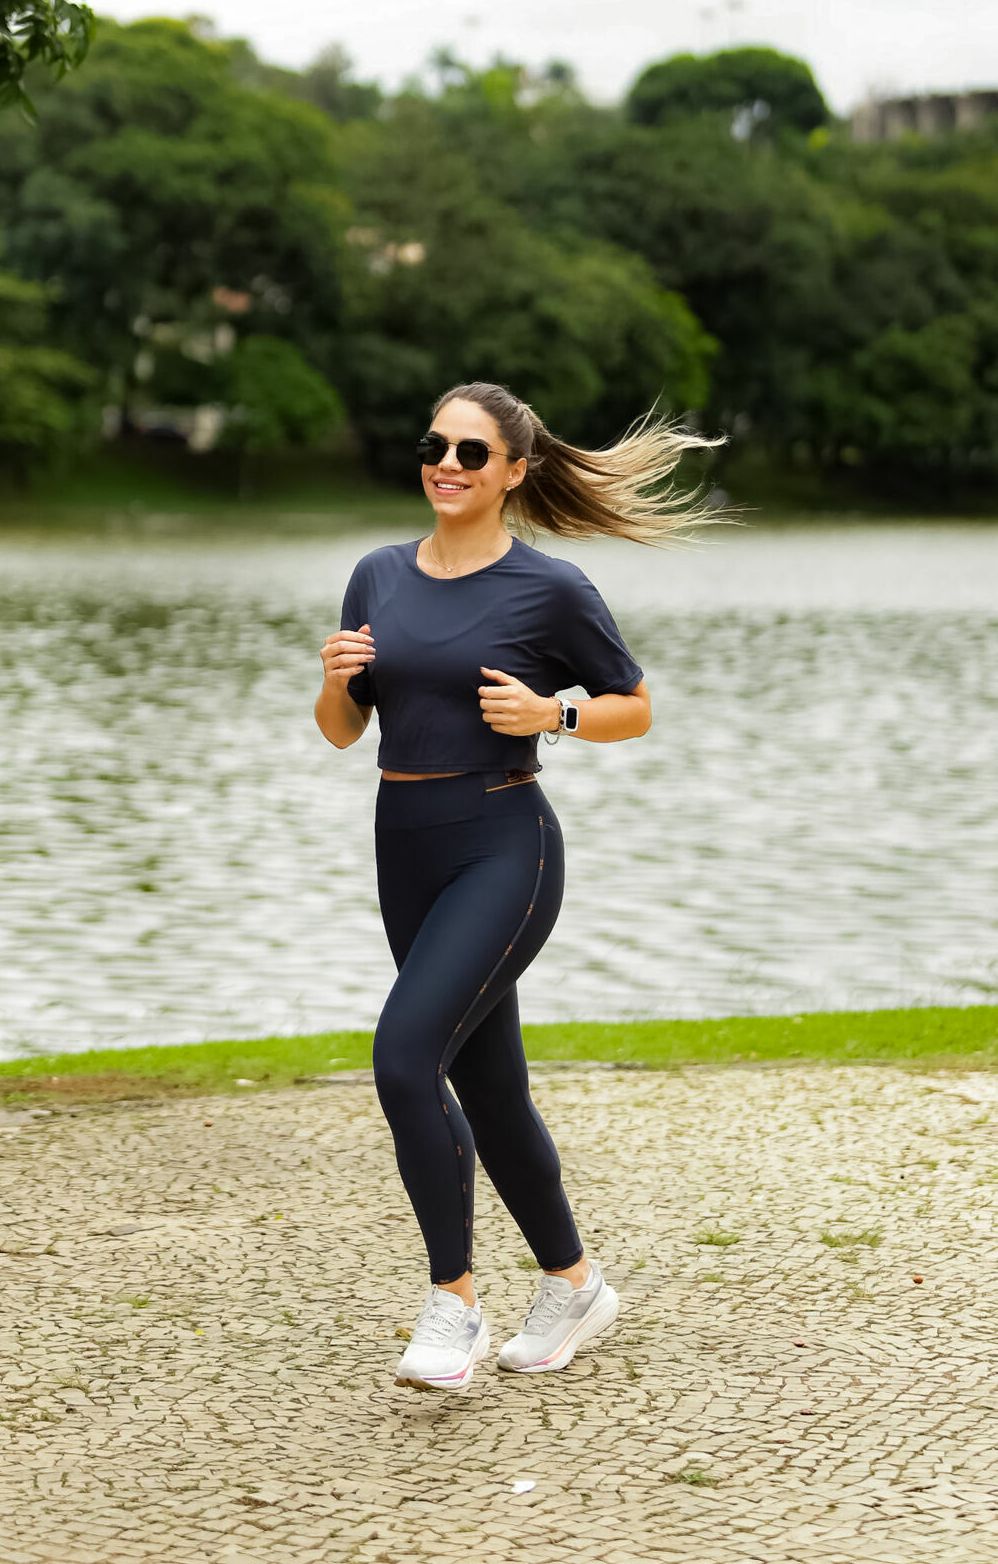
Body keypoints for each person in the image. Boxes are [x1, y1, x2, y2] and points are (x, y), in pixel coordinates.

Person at [314, 380, 731, 1392]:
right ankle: (575, 1285)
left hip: (504, 843)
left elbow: (633, 707)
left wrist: (554, 715)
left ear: (512, 471)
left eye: (470, 454)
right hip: (402, 843)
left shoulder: (547, 589)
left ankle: (451, 1302)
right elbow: (342, 730)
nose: (445, 466)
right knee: (489, 1089)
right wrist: (332, 677)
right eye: (434, 447)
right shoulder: (376, 574)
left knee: (406, 1055)